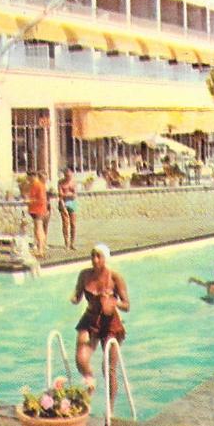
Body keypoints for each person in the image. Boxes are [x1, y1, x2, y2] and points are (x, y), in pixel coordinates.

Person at [70, 244, 129, 410]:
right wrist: (74, 298)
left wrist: (113, 301)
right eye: (92, 256)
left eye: (98, 256)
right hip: (90, 319)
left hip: (110, 323)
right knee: (81, 359)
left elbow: (127, 305)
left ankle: (110, 410)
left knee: (108, 369)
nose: (95, 260)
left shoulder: (115, 278)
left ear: (105, 258)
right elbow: (78, 295)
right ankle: (90, 378)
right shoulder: (84, 275)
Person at [27, 171, 50, 259]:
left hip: (38, 209)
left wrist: (30, 201)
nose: (28, 180)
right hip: (35, 209)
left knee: (39, 229)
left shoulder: (39, 185)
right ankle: (40, 248)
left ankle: (40, 249)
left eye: (29, 177)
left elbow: (41, 199)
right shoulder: (34, 185)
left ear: (33, 176)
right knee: (37, 229)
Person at [57, 168, 78, 251]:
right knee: (65, 224)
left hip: (72, 203)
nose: (68, 177)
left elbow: (74, 195)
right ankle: (66, 243)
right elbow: (60, 194)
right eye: (67, 176)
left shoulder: (73, 182)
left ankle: (72, 243)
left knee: (73, 224)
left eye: (69, 175)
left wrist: (66, 194)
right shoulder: (61, 182)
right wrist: (67, 195)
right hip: (63, 202)